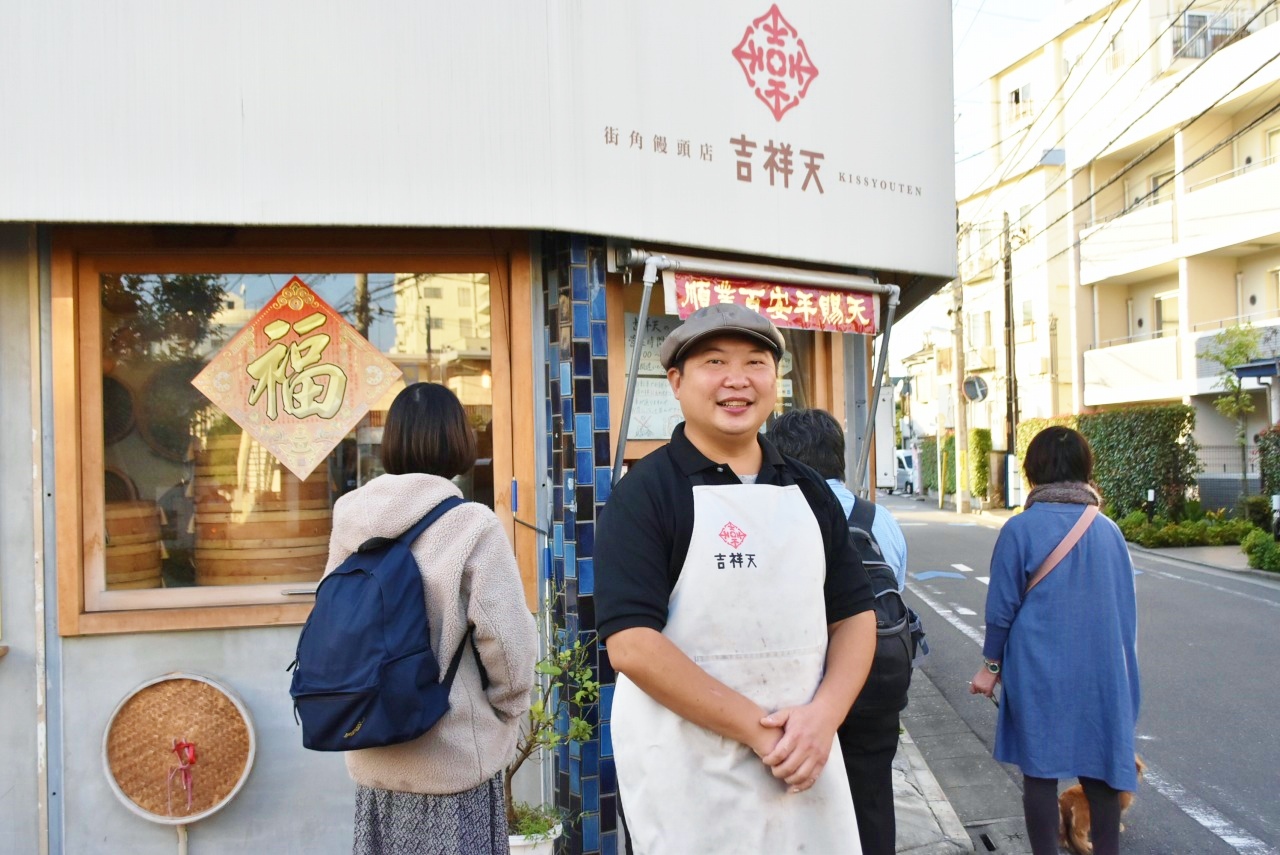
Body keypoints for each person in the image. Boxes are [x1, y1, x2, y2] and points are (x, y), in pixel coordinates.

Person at [595, 304, 878, 854]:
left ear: (776, 380)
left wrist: (823, 718)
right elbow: (631, 644)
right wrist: (758, 728)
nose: (737, 379)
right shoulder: (645, 494)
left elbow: (854, 616)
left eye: (755, 361)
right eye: (714, 362)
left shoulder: (809, 490)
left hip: (803, 760)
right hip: (689, 770)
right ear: (675, 381)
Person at [325, 383, 537, 855]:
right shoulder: (472, 524)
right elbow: (507, 642)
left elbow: (339, 626)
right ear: (459, 441)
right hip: (452, 757)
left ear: (392, 441)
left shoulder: (349, 518)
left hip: (373, 749)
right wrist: (507, 708)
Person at [969, 426, 1140, 855]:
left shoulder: (1019, 530)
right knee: (1100, 773)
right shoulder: (1110, 532)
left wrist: (991, 667)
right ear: (1085, 469)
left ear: (1033, 471)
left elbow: (1001, 609)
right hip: (1101, 671)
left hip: (1037, 668)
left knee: (1039, 775)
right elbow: (1126, 615)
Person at [769, 408, 909, 855]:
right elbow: (896, 591)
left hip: (801, 690)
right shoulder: (878, 518)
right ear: (839, 457)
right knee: (871, 795)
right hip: (877, 679)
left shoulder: (777, 514)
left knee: (799, 799)